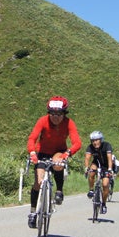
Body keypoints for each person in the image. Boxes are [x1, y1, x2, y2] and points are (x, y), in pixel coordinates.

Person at [25, 96, 82, 228]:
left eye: (59, 114)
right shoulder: (42, 121)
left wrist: (67, 153)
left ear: (64, 113)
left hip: (58, 151)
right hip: (42, 152)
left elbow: (77, 143)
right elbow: (32, 138)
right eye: (53, 113)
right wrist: (32, 152)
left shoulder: (69, 123)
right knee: (38, 183)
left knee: (58, 163)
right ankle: (33, 212)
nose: (56, 117)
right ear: (49, 113)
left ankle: (59, 190)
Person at [84, 130, 114, 214]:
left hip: (106, 166)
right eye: (93, 141)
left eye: (96, 140)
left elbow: (109, 158)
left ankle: (103, 204)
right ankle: (91, 190)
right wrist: (86, 167)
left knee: (105, 185)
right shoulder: (90, 147)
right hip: (96, 163)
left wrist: (110, 169)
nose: (95, 142)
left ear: (101, 140)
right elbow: (87, 158)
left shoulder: (107, 145)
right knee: (91, 172)